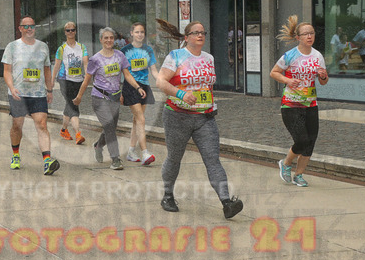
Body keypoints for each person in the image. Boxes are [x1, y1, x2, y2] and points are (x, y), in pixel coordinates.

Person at [155, 19, 243, 219]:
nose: (200, 35)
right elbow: (161, 81)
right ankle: (168, 195)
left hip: (204, 117)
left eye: (203, 32)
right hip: (177, 115)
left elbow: (206, 86)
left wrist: (210, 103)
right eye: (196, 32)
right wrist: (181, 94)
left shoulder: (208, 58)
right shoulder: (176, 56)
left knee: (213, 159)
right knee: (174, 158)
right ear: (186, 38)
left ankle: (227, 202)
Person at [73, 27, 145, 170]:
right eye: (106, 38)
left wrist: (138, 87)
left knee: (110, 128)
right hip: (99, 98)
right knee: (110, 127)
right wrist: (79, 97)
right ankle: (115, 159)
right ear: (101, 40)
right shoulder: (95, 59)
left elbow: (127, 74)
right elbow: (86, 80)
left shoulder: (119, 55)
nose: (109, 40)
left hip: (114, 98)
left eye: (111, 38)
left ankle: (98, 145)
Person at [269, 15, 329, 187]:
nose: (309, 36)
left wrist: (323, 76)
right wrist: (288, 80)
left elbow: (323, 82)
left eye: (312, 33)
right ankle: (286, 163)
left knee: (311, 142)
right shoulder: (290, 55)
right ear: (298, 37)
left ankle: (299, 175)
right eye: (305, 34)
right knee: (302, 140)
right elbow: (274, 72)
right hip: (291, 105)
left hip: (311, 104)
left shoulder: (318, 56)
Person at [2, 16, 60, 175]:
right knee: (17, 125)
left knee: (42, 124)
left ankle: (47, 161)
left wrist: (49, 90)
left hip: (38, 93)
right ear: (20, 28)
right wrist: (11, 87)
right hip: (18, 93)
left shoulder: (43, 47)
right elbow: (7, 71)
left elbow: (46, 70)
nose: (29, 29)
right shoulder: (12, 47)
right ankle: (15, 154)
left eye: (32, 26)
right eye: (26, 26)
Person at [121, 22, 158, 165]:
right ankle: (145, 152)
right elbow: (123, 73)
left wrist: (162, 82)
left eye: (142, 32)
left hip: (145, 86)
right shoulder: (125, 51)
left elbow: (153, 70)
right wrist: (122, 92)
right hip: (131, 86)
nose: (140, 34)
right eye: (137, 32)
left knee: (136, 120)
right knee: (141, 119)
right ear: (131, 33)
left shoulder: (148, 50)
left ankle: (131, 151)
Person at [51, 21, 88, 145]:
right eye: (68, 30)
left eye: (72, 30)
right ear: (65, 32)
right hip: (64, 80)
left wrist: (87, 76)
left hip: (78, 80)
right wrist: (51, 81)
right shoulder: (62, 49)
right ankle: (78, 134)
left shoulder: (82, 47)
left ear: (75, 31)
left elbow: (86, 63)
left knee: (69, 105)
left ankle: (63, 130)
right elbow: (56, 66)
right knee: (73, 105)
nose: (70, 32)